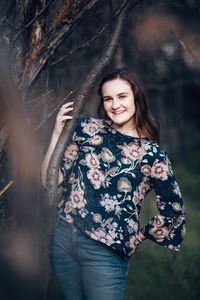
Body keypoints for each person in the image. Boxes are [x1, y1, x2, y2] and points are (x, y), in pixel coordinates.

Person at [41, 68, 186, 300]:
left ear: (136, 97)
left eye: (122, 96)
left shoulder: (152, 154)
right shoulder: (87, 130)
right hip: (64, 241)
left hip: (105, 254)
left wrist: (137, 237)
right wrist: (57, 134)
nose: (115, 105)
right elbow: (49, 181)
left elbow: (173, 212)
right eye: (108, 98)